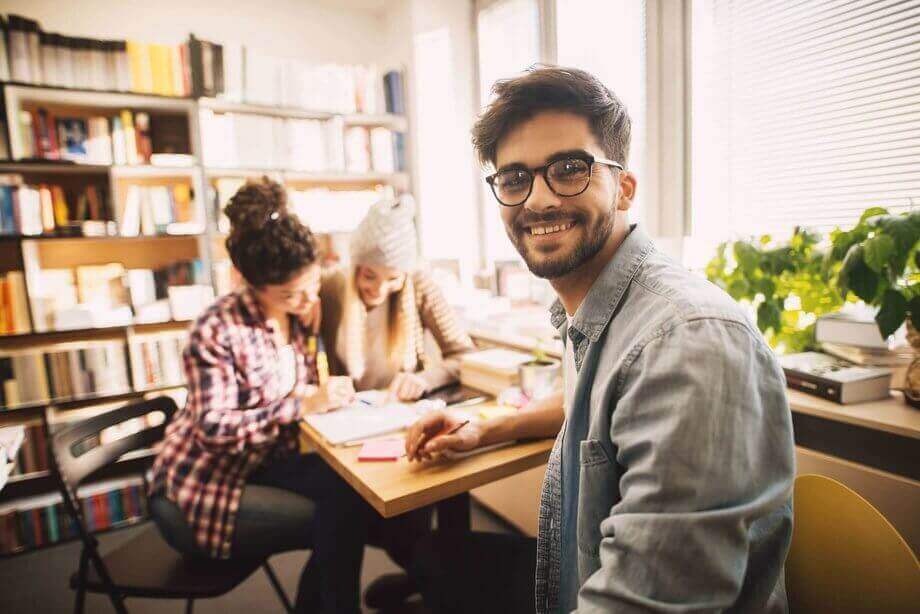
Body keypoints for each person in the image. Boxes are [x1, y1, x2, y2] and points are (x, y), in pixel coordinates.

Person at [406, 66, 796, 613]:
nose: (537, 201)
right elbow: (589, 406)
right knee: (435, 561)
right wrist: (484, 431)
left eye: (570, 169)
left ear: (625, 188)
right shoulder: (599, 314)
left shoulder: (687, 342)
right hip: (575, 576)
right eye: (515, 178)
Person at [148, 178, 371, 614]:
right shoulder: (217, 330)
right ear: (253, 285)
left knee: (354, 490)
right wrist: (302, 404)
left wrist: (321, 395)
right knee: (341, 520)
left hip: (264, 461)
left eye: (311, 285)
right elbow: (213, 430)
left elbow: (290, 387)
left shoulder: (299, 313)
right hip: (202, 486)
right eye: (291, 294)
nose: (307, 300)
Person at [319, 194, 476, 608]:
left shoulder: (420, 284)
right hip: (354, 428)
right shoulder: (331, 288)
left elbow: (464, 355)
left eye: (392, 280)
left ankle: (442, 583)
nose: (378, 289)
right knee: (384, 524)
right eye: (369, 276)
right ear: (355, 264)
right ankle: (434, 578)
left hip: (407, 423)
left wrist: (423, 379)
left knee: (436, 492)